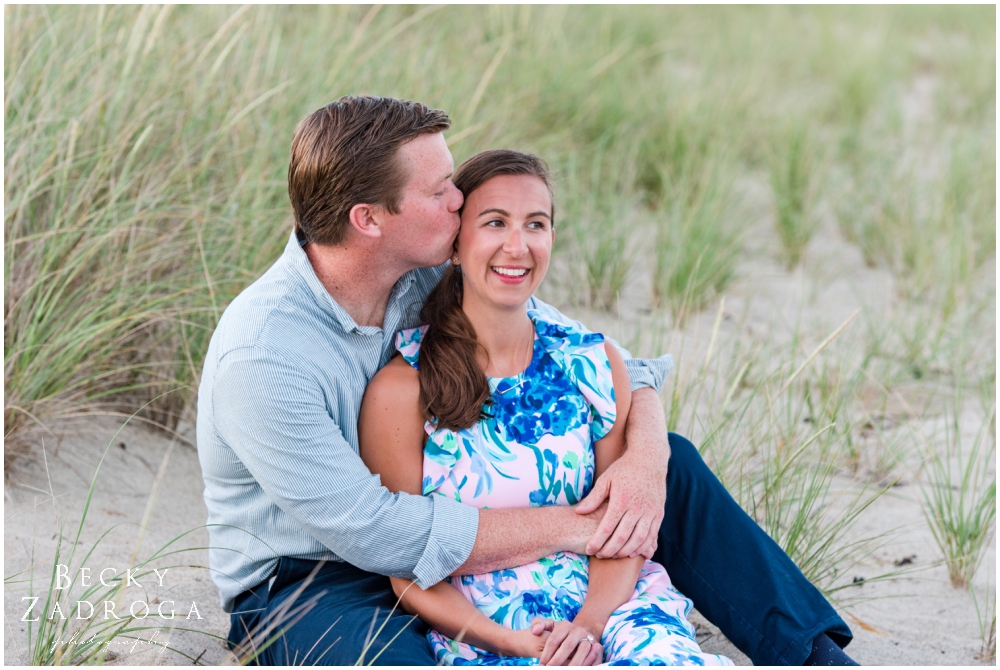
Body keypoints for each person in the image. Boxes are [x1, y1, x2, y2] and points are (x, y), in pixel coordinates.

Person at [196, 95, 857, 666]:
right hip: (314, 579)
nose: (462, 201)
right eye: (440, 191)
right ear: (368, 219)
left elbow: (617, 367)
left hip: (454, 536)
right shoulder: (263, 357)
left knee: (667, 461)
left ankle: (813, 655)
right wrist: (572, 526)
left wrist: (645, 465)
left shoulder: (425, 273)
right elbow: (376, 533)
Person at [358, 149, 733, 665]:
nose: (518, 246)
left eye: (536, 224)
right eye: (494, 223)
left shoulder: (592, 361)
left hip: (614, 608)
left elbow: (623, 529)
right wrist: (515, 643)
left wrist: (587, 628)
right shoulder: (402, 389)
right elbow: (404, 568)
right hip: (490, 627)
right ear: (454, 243)